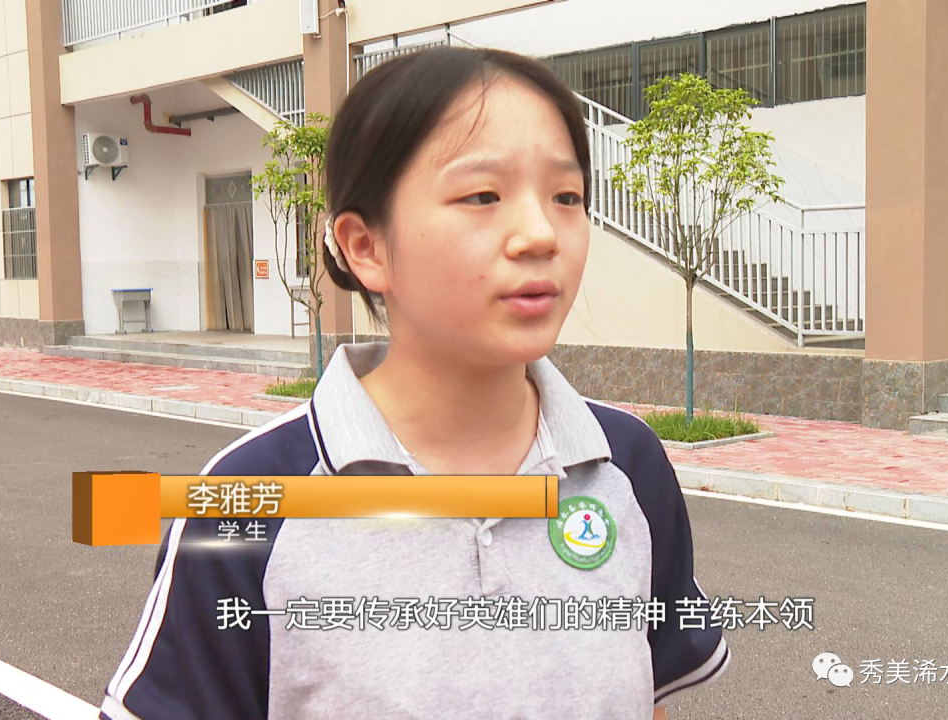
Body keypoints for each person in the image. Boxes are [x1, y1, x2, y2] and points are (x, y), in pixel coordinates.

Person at [99, 46, 727, 720]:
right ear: (366, 246)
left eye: (566, 197)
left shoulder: (628, 463)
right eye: (482, 195)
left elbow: (649, 699)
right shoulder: (245, 501)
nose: (542, 233)